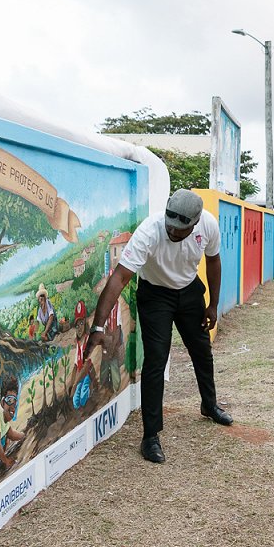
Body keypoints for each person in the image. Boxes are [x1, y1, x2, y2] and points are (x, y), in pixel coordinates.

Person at [86, 189, 233, 464]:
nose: (173, 233)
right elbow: (119, 278)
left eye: (181, 230)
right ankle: (150, 436)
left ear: (195, 223)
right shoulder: (149, 232)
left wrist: (213, 304)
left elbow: (213, 261)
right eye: (170, 227)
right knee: (156, 360)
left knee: (201, 349)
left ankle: (209, 404)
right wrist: (97, 327)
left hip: (189, 290)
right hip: (155, 295)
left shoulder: (208, 225)